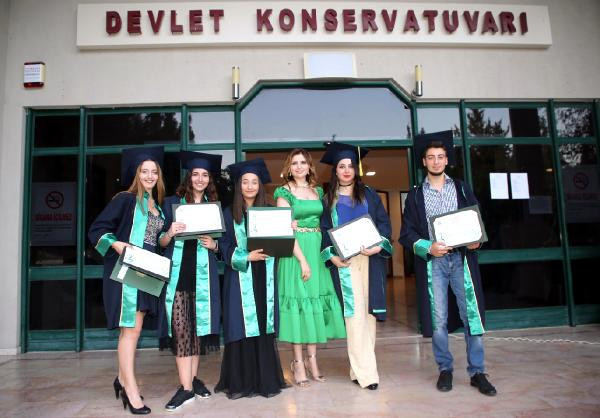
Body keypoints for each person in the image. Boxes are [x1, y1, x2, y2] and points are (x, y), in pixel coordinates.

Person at [399, 130, 497, 396]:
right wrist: (428, 247)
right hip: (435, 263)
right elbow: (406, 234)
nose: (436, 161)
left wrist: (477, 240)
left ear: (446, 160)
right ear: (424, 162)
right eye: (431, 157)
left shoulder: (462, 187)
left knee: (471, 317)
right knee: (438, 319)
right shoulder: (416, 195)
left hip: (462, 261)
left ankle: (477, 372)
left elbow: (477, 222)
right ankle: (445, 368)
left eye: (440, 156)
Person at [88, 146, 166, 415]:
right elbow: (97, 229)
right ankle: (131, 390)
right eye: (144, 171)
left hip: (146, 272)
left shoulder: (157, 207)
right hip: (125, 271)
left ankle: (122, 380)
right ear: (136, 174)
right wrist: (116, 244)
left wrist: (169, 234)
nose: (150, 176)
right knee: (130, 330)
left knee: (133, 330)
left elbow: (155, 241)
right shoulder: (125, 199)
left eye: (154, 172)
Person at [319, 142, 393, 391]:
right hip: (346, 263)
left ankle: (357, 368)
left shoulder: (370, 194)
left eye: (351, 165)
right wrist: (332, 257)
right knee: (354, 317)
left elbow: (384, 224)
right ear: (335, 170)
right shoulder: (327, 199)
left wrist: (379, 245)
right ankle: (368, 374)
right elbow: (323, 235)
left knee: (369, 316)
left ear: (356, 169)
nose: (346, 170)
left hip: (370, 259)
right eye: (341, 166)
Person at [214, 158, 288, 399]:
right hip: (240, 277)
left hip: (263, 276)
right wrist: (246, 256)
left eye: (254, 182)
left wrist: (288, 228)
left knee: (263, 324)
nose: (249, 186)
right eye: (245, 182)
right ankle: (243, 381)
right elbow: (223, 246)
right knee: (241, 325)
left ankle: (264, 380)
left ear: (260, 185)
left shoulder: (270, 211)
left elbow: (280, 242)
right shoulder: (228, 213)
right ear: (239, 186)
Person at [274, 149, 346, 387]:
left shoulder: (318, 191)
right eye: (294, 163)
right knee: (299, 304)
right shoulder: (283, 192)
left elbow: (325, 224)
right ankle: (297, 362)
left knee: (314, 302)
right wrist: (303, 260)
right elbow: (284, 229)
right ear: (289, 167)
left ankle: (312, 360)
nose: (299, 166)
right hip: (295, 253)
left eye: (303, 162)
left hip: (316, 249)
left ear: (309, 166)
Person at [159, 151, 222, 411]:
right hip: (178, 276)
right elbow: (160, 241)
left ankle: (192, 380)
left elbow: (221, 244)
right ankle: (185, 389)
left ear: (209, 179)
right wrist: (170, 232)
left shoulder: (214, 207)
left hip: (203, 278)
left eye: (205, 175)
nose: (200, 179)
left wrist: (214, 245)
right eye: (196, 174)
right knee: (181, 330)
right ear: (189, 177)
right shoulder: (172, 204)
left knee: (196, 331)